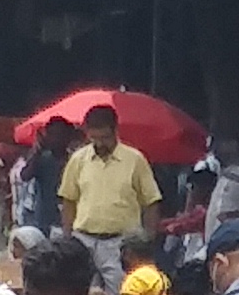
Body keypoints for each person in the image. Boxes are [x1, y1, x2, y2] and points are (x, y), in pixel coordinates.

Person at [58, 105, 164, 281]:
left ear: (115, 130)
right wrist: (67, 240)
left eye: (105, 138)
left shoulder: (135, 160)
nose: (100, 144)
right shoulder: (78, 160)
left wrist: (148, 241)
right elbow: (69, 201)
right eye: (94, 138)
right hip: (84, 240)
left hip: (121, 244)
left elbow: (151, 202)